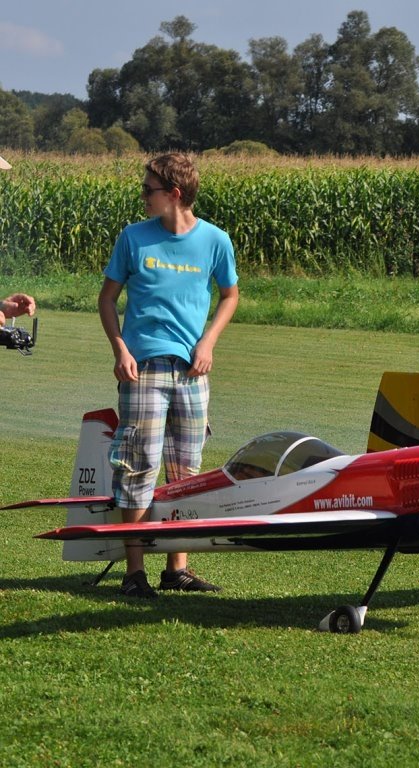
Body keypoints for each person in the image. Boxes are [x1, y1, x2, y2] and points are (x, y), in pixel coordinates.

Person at [98, 153, 240, 597]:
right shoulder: (133, 238)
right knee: (138, 467)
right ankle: (135, 574)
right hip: (142, 371)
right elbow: (106, 300)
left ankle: (177, 569)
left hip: (193, 373)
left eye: (149, 189)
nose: (143, 196)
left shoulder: (216, 241)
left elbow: (230, 295)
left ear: (174, 195)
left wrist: (208, 341)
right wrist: (120, 349)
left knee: (187, 472)